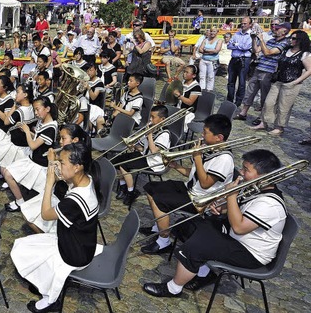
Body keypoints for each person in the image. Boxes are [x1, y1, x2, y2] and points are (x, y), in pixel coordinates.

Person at [143, 149, 286, 298]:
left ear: (263, 176)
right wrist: (222, 208)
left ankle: (173, 288)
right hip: (234, 237)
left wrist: (231, 195)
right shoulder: (255, 187)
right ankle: (205, 273)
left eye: (246, 170)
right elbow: (237, 210)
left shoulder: (269, 204)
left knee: (196, 245)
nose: (241, 172)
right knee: (187, 225)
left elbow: (239, 228)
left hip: (250, 253)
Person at [11, 142, 101, 313]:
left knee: (24, 251)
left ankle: (51, 301)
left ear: (77, 167)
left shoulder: (74, 201)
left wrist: (49, 182)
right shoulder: (86, 180)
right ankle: (42, 284)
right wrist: (54, 164)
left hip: (74, 253)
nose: (59, 165)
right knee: (26, 246)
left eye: (62, 162)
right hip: (80, 241)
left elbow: (45, 214)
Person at [140, 114, 234, 255]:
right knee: (151, 188)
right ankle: (158, 226)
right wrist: (177, 166)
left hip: (200, 201)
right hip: (189, 188)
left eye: (205, 133)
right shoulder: (210, 148)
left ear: (219, 137)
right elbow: (196, 173)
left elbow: (205, 183)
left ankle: (163, 241)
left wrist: (197, 158)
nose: (201, 135)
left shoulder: (224, 159)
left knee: (160, 201)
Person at [3, 97, 58, 212]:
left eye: (38, 110)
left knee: (8, 174)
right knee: (4, 170)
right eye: (35, 110)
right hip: (33, 159)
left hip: (39, 165)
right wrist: (28, 132)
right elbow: (37, 139)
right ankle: (20, 198)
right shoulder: (42, 122)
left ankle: (20, 202)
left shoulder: (51, 128)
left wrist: (27, 131)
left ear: (47, 109)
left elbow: (33, 145)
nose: (36, 113)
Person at [251, 30, 311, 136]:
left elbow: (309, 70)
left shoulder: (304, 54)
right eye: (290, 38)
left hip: (291, 83)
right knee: (268, 102)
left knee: (284, 106)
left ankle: (279, 127)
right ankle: (263, 123)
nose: (291, 40)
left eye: (294, 38)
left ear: (300, 41)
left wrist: (297, 81)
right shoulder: (285, 50)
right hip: (278, 80)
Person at [112, 105, 171, 205]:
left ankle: (131, 192)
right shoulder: (153, 129)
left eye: (153, 117)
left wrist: (149, 135)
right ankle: (123, 187)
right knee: (117, 160)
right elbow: (142, 148)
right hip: (144, 155)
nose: (150, 119)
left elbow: (153, 150)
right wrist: (133, 146)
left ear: (162, 119)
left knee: (124, 165)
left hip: (154, 162)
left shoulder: (165, 134)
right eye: (150, 117)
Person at [235, 22, 290, 123]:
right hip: (259, 68)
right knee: (250, 91)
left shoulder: (285, 43)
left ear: (284, 31)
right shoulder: (271, 40)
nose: (274, 29)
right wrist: (253, 39)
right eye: (274, 28)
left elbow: (268, 52)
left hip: (269, 72)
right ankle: (243, 112)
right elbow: (256, 50)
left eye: (277, 29)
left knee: (265, 96)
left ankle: (262, 117)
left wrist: (261, 39)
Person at [226, 17, 253, 106]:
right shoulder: (237, 34)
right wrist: (238, 45)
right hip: (234, 59)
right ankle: (229, 100)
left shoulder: (251, 35)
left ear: (250, 24)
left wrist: (235, 44)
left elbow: (246, 47)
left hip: (244, 60)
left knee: (241, 82)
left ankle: (238, 102)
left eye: (245, 23)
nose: (243, 25)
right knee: (230, 81)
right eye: (242, 23)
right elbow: (229, 45)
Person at [198, 27, 222, 91]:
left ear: (217, 32)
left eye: (214, 31)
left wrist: (205, 50)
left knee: (210, 77)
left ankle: (209, 90)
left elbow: (216, 50)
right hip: (203, 60)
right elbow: (200, 49)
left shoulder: (219, 40)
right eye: (211, 31)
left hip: (212, 61)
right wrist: (210, 51)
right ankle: (201, 89)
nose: (212, 33)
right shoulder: (205, 40)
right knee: (202, 76)